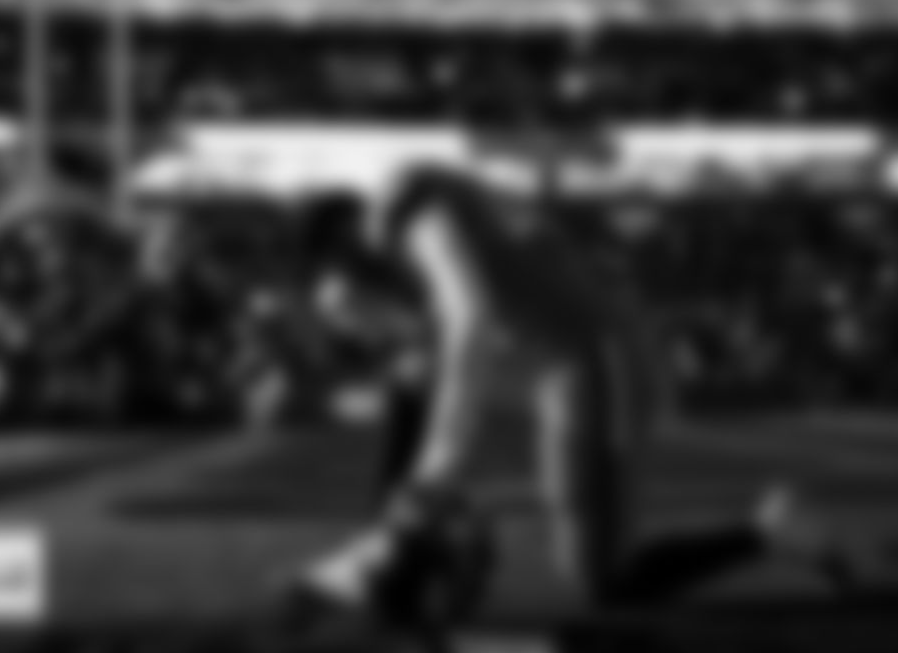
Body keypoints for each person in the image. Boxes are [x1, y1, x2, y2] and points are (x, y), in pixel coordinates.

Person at [281, 133, 856, 635]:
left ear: (343, 244)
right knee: (416, 382)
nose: (357, 313)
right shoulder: (412, 253)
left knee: (606, 581)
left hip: (593, 356)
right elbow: (440, 348)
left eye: (347, 289)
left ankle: (774, 534)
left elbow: (471, 317)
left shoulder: (406, 204)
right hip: (563, 364)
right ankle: (401, 545)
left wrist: (437, 468)